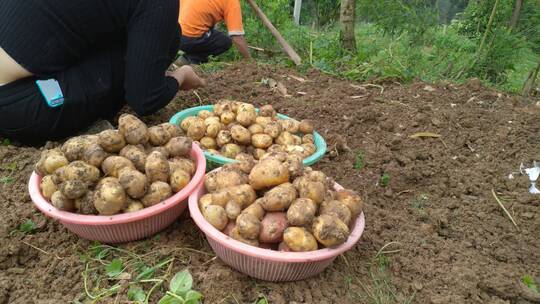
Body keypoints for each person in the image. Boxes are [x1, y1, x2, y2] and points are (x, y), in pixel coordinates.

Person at [0, 0, 206, 146]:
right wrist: (181, 77)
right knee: (169, 38)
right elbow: (145, 100)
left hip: (18, 76)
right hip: (22, 103)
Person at [178, 0, 251, 64]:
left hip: (173, 34)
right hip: (189, 38)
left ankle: (181, 57)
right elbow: (236, 36)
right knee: (225, 42)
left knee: (208, 27)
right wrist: (250, 60)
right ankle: (190, 59)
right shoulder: (232, 2)